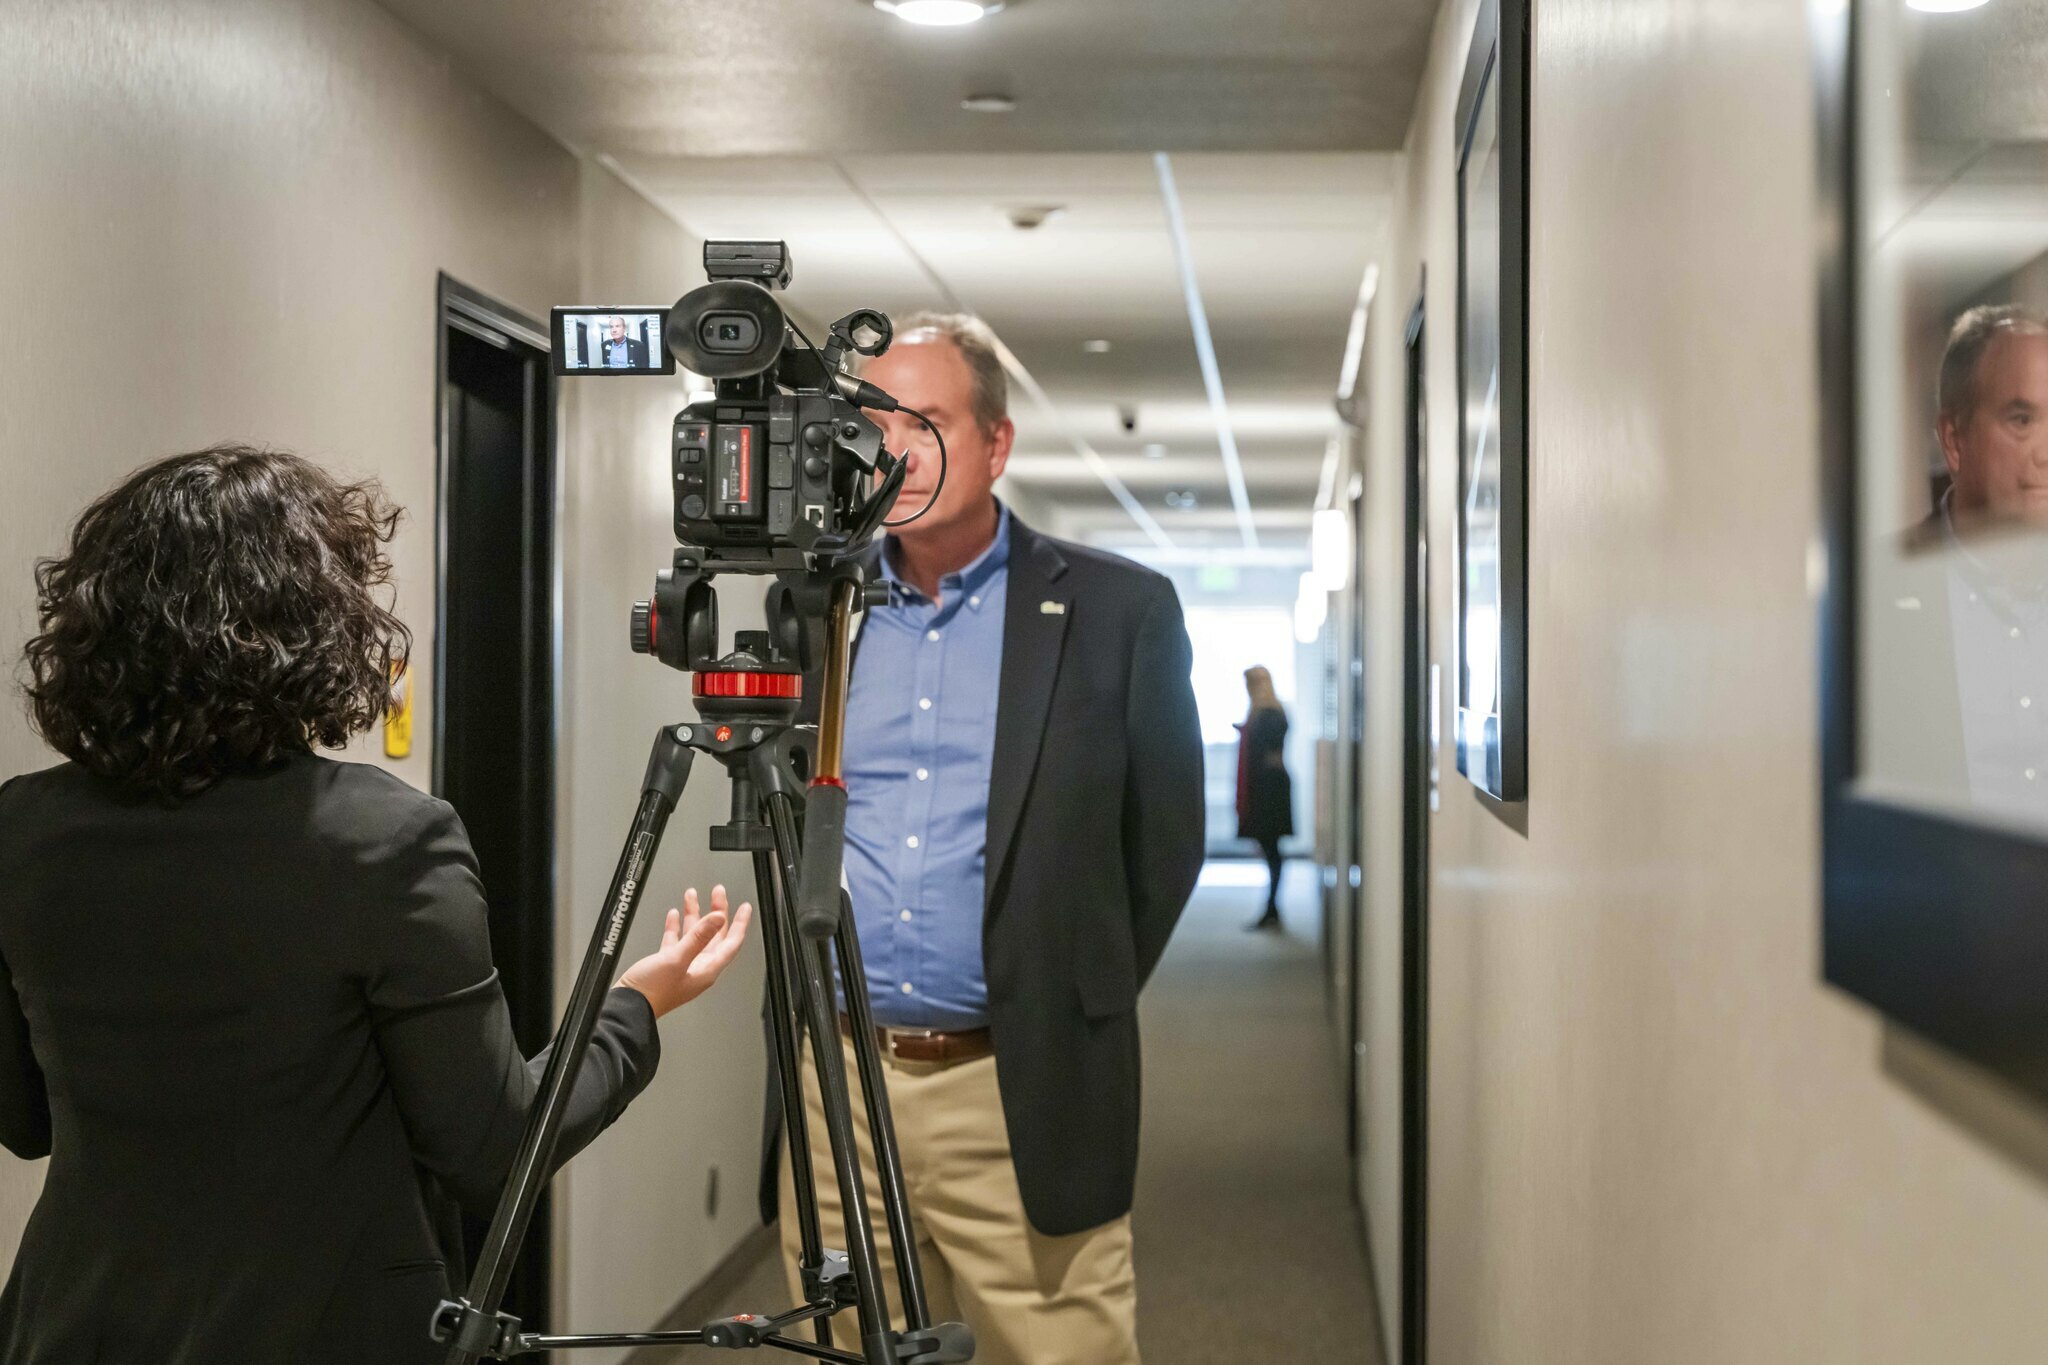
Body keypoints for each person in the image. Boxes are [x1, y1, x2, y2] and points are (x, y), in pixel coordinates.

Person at [0, 446, 753, 1365]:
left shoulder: (20, 828)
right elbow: (492, 1148)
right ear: (314, 626)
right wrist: (637, 1006)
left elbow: (25, 1119)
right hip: (323, 1329)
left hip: (73, 1323)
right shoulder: (387, 840)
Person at [764, 314, 1205, 1365]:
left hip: (1015, 1082)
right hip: (838, 1090)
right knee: (836, 1346)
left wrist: (1064, 983)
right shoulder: (814, 608)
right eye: (876, 426)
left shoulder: (1114, 612)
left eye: (926, 423)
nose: (897, 453)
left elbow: (1164, 848)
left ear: (997, 444)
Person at [1236, 665, 1294, 930]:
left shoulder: (1270, 715)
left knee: (1272, 850)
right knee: (1270, 849)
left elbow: (1267, 752)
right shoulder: (1270, 714)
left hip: (1268, 789)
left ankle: (1272, 907)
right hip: (1267, 786)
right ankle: (1271, 907)